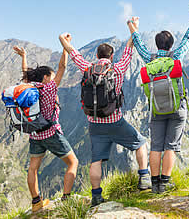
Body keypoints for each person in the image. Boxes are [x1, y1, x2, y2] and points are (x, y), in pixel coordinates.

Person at [58, 33, 149, 207]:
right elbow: (128, 52)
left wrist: (64, 39)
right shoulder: (117, 68)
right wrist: (132, 32)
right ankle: (144, 177)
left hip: (94, 123)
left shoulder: (87, 67)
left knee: (96, 160)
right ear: (111, 56)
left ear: (97, 56)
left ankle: (96, 196)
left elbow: (72, 52)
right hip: (116, 121)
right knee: (140, 143)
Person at [127, 17, 189, 193]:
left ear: (157, 45)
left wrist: (131, 25)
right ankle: (165, 183)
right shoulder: (176, 56)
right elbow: (188, 39)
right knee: (171, 146)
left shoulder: (149, 59)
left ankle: (154, 183)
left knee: (156, 146)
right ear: (171, 45)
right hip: (177, 109)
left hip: (156, 109)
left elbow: (138, 43)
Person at [13, 46, 79, 212]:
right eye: (50, 76)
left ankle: (36, 203)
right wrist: (65, 48)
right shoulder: (48, 89)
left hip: (35, 135)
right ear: (45, 77)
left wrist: (24, 56)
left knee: (33, 168)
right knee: (73, 162)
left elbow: (25, 73)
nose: (52, 78)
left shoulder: (28, 87)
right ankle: (66, 199)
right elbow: (62, 68)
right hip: (51, 134)